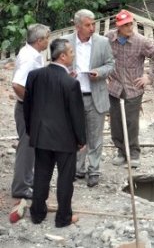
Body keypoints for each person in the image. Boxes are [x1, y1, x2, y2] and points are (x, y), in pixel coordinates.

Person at [23, 38, 86, 228]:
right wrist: (81, 139)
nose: (73, 55)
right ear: (63, 56)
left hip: (41, 135)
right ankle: (63, 218)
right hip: (65, 139)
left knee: (41, 175)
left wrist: (31, 130)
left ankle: (37, 214)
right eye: (71, 52)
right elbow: (77, 115)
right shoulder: (70, 83)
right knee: (65, 179)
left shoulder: (35, 76)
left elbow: (28, 106)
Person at [106, 9, 154, 168]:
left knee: (131, 122)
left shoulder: (141, 41)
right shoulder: (109, 38)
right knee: (116, 122)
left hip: (133, 88)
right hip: (114, 87)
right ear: (118, 26)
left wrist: (149, 77)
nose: (129, 28)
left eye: (130, 24)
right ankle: (121, 151)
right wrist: (104, 72)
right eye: (125, 25)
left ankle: (133, 153)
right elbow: (99, 55)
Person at [62, 9, 115, 187]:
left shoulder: (103, 42)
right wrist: (67, 74)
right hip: (73, 96)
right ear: (77, 26)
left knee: (95, 136)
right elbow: (57, 64)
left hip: (95, 95)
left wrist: (98, 72)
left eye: (93, 24)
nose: (92, 28)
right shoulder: (65, 42)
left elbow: (110, 64)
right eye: (88, 25)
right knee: (74, 135)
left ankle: (94, 170)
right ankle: (78, 169)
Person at [11, 23, 50, 200]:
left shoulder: (33, 54)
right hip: (27, 109)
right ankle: (20, 187)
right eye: (47, 39)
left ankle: (28, 179)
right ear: (39, 40)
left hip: (31, 108)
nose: (48, 42)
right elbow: (17, 84)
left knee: (32, 146)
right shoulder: (29, 58)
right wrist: (30, 102)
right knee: (26, 148)